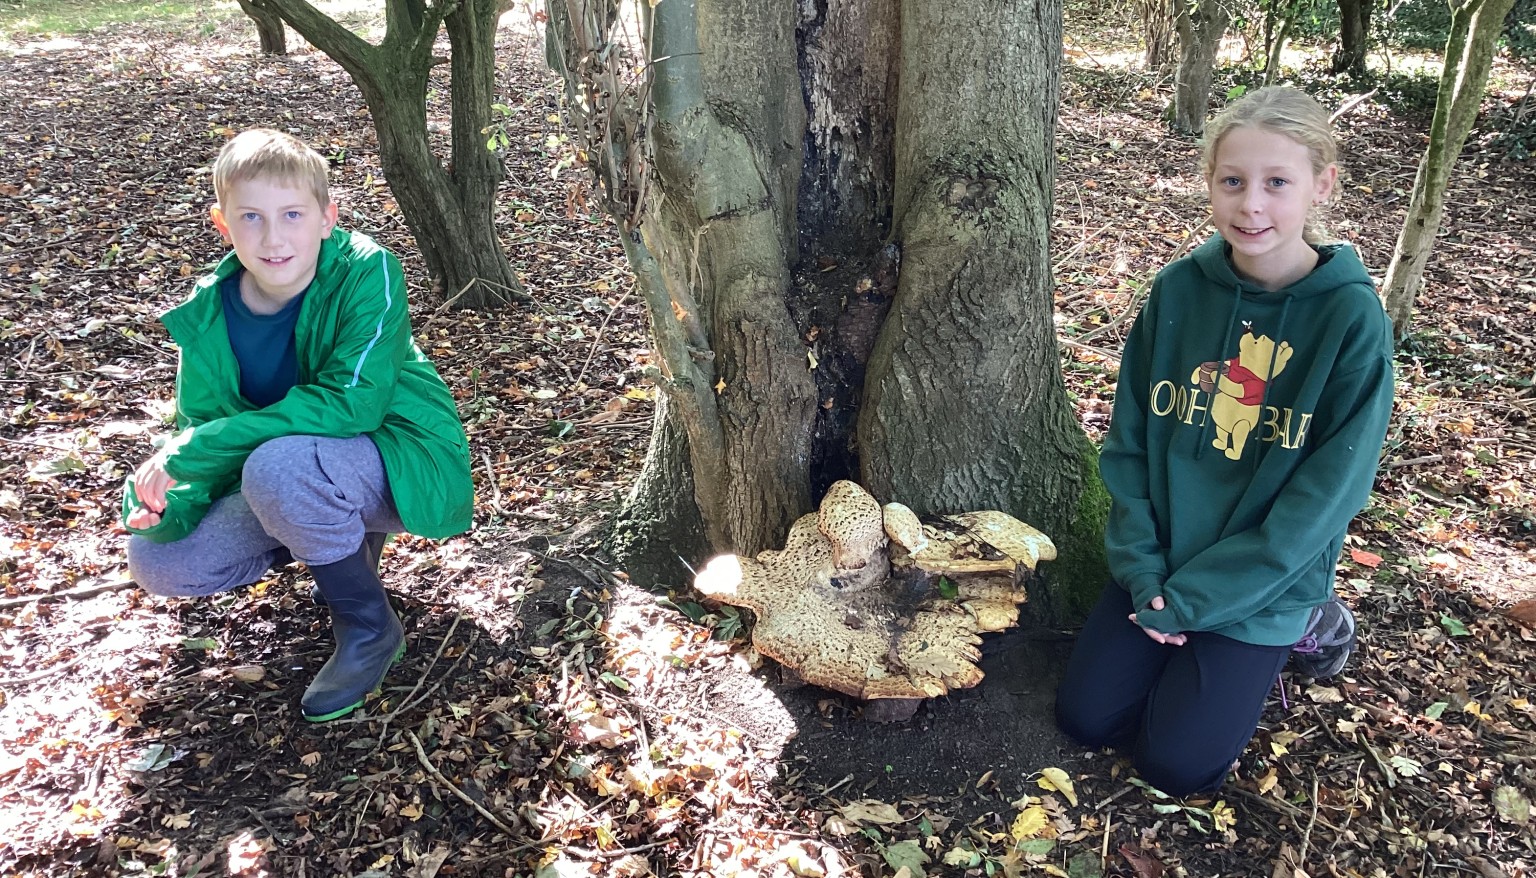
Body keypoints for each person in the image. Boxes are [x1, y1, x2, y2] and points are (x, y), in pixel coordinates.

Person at [1054, 87, 1394, 796]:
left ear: (1322, 184)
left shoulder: (1351, 320)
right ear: (1209, 181)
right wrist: (1144, 572)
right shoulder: (1179, 291)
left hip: (1266, 581)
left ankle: (1314, 622)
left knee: (1175, 767)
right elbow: (1128, 443)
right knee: (1084, 718)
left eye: (1277, 183)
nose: (1252, 205)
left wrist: (1198, 601)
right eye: (1233, 181)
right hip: (1161, 562)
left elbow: (1327, 495)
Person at [122, 129, 474, 723]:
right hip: (297, 475)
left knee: (279, 466)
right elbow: (206, 425)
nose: (273, 237)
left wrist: (197, 446)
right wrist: (169, 500)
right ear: (222, 224)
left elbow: (352, 405)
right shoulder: (209, 311)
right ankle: (331, 537)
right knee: (158, 559)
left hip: (401, 459)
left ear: (327, 217)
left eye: (292, 214)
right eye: (251, 217)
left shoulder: (367, 270)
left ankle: (369, 628)